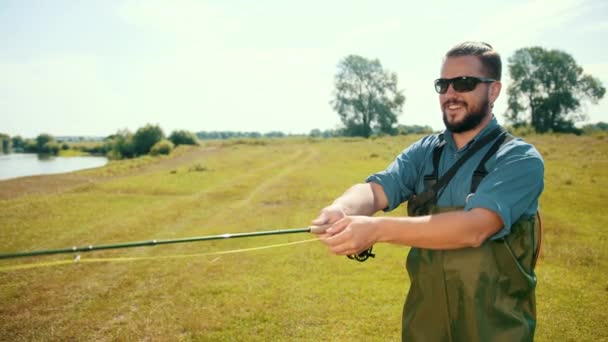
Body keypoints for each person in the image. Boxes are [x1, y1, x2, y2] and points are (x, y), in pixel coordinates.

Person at [312, 41, 544, 341]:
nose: (451, 94)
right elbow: (376, 190)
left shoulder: (519, 159)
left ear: (494, 90)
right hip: (425, 325)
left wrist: (376, 229)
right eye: (443, 84)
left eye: (464, 83)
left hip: (494, 328)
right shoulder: (425, 152)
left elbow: (475, 228)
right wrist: (341, 208)